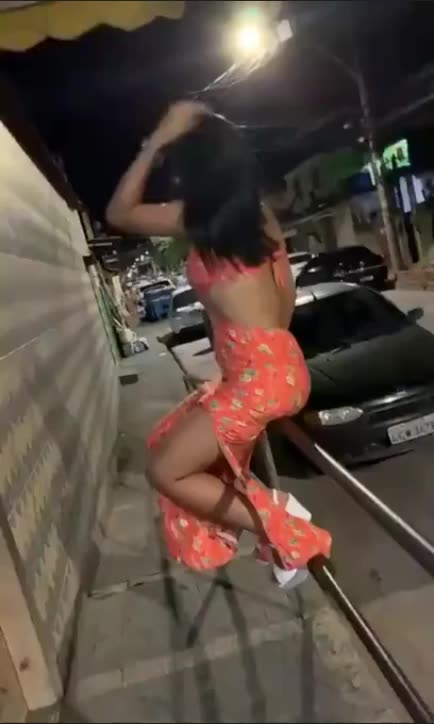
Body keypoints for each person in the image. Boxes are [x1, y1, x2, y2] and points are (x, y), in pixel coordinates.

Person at [106, 101, 331, 579]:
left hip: (258, 380)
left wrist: (157, 140)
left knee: (165, 470)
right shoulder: (256, 217)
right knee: (170, 439)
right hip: (275, 367)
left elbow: (119, 212)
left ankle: (283, 522)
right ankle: (276, 527)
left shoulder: (200, 219)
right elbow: (284, 296)